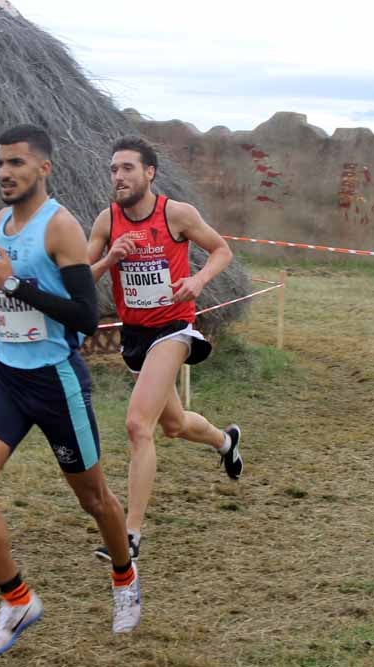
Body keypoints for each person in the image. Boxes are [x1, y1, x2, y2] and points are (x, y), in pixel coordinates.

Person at [0, 124, 139, 659]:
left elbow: (83, 315)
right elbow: (27, 304)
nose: (6, 173)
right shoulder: (0, 223)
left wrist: (11, 284)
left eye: (16, 163)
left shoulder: (62, 227)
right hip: (7, 376)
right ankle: (17, 601)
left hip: (57, 381)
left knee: (94, 498)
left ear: (42, 169)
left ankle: (125, 578)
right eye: (1, 164)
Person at [87, 136, 242, 561]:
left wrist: (197, 281)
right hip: (135, 335)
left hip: (174, 329)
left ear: (149, 172)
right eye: (114, 169)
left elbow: (222, 251)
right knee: (172, 425)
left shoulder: (176, 214)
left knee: (139, 425)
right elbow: (80, 278)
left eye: (127, 168)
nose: (118, 176)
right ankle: (225, 442)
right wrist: (109, 259)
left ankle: (130, 535)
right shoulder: (107, 221)